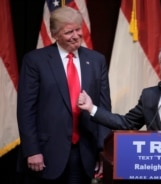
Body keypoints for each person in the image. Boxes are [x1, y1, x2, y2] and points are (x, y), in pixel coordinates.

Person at [16, 6, 111, 184]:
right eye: (69, 32)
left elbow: (103, 107)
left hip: (84, 154)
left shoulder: (97, 60)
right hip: (45, 154)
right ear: (55, 34)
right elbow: (25, 110)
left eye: (78, 29)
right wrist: (32, 150)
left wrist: (102, 151)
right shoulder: (35, 61)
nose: (76, 35)